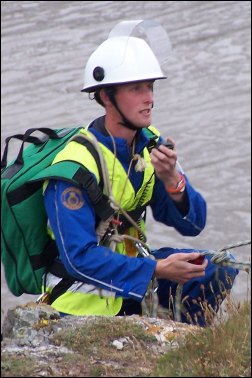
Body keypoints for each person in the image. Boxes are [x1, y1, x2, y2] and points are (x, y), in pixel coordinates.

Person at [40, 22, 238, 326]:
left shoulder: (150, 144)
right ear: (106, 96)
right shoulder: (73, 168)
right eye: (137, 89)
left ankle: (184, 346)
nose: (149, 98)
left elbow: (193, 224)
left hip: (132, 278)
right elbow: (78, 259)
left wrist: (173, 181)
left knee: (218, 268)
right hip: (81, 300)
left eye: (151, 87)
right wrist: (157, 269)